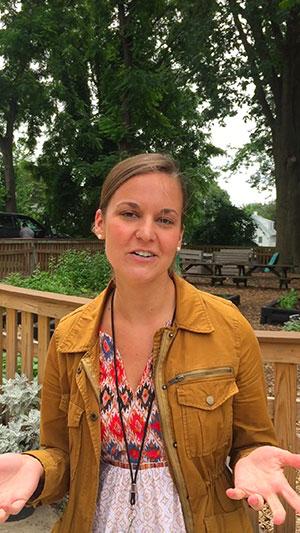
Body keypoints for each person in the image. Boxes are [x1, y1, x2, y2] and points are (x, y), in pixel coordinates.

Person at [0, 153, 300, 533]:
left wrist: (251, 457)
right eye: (129, 213)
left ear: (179, 234)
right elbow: (60, 454)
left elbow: (252, 440)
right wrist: (37, 467)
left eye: (165, 219)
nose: (146, 232)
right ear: (99, 223)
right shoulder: (71, 338)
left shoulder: (227, 328)